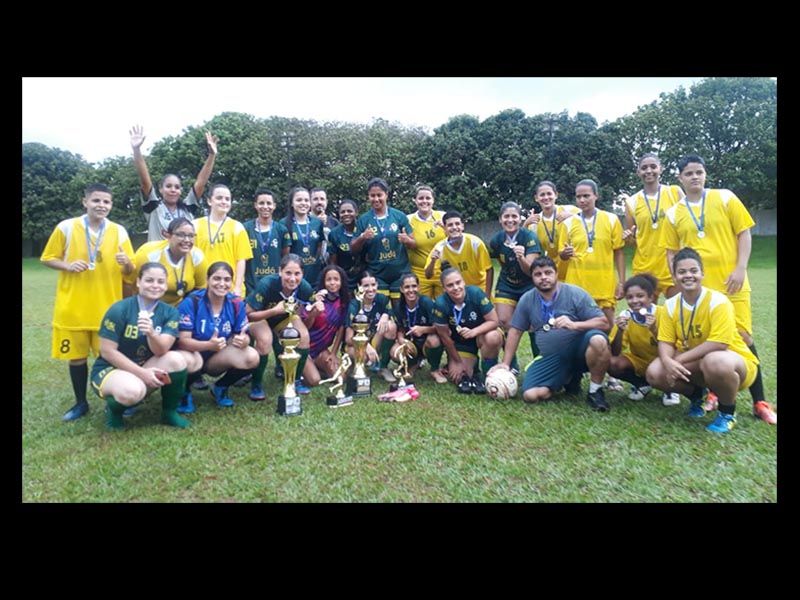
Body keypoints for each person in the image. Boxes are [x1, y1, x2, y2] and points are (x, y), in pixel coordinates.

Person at [660, 154, 775, 424]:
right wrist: (678, 281)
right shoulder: (674, 213)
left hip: (730, 283)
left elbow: (743, 233)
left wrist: (740, 268)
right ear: (680, 178)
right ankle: (715, 393)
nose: (695, 177)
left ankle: (760, 401)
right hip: (697, 288)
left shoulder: (725, 197)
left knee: (743, 337)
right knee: (705, 341)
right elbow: (671, 251)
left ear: (705, 173)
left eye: (699, 172)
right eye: (689, 173)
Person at [40, 183, 136, 421]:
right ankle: (81, 403)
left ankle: (121, 399)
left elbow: (131, 270)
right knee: (77, 357)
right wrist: (67, 265)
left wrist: (126, 262)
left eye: (106, 202)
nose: (101, 205)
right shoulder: (67, 227)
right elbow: (47, 258)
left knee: (113, 356)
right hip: (74, 308)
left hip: (108, 308)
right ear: (85, 202)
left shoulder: (119, 231)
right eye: (96, 200)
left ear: (111, 205)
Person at [645, 248, 761, 433]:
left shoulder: (718, 301)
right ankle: (697, 396)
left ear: (702, 274)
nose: (688, 275)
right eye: (682, 272)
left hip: (733, 362)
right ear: (674, 277)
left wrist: (678, 360)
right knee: (655, 372)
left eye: (693, 271)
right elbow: (665, 341)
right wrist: (667, 362)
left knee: (715, 360)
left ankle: (727, 411)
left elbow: (719, 343)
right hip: (698, 362)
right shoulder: (670, 305)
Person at [488, 256, 612, 412]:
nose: (543, 277)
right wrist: (506, 363)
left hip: (580, 351)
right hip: (552, 357)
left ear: (556, 273)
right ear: (532, 277)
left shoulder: (575, 293)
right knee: (530, 395)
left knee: (598, 340)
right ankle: (567, 378)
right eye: (538, 274)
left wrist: (574, 325)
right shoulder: (527, 299)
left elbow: (603, 323)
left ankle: (595, 391)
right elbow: (515, 331)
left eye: (548, 272)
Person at [90, 262, 195, 430]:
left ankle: (169, 413)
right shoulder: (119, 309)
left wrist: (152, 333)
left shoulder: (170, 312)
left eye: (160, 281)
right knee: (132, 391)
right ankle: (114, 411)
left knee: (176, 359)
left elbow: (161, 350)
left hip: (145, 366)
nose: (155, 285)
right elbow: (107, 352)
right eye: (149, 280)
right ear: (138, 282)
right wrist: (142, 374)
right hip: (112, 368)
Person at [559, 179, 625, 392]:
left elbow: (619, 252)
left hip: (604, 285)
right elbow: (561, 254)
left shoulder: (611, 219)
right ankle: (575, 375)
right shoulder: (568, 223)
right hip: (576, 287)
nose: (582, 200)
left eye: (586, 195)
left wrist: (621, 281)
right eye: (579, 196)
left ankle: (611, 376)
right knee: (575, 332)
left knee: (608, 330)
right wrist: (564, 254)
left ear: (596, 195)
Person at [176, 262, 259, 410]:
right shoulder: (192, 302)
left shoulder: (236, 303)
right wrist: (208, 345)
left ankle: (220, 387)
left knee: (252, 357)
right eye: (217, 278)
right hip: (192, 354)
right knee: (187, 360)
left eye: (227, 279)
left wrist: (243, 341)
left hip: (215, 357)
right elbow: (182, 342)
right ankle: (183, 391)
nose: (222, 284)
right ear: (207, 280)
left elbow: (242, 335)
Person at [130, 125, 218, 242]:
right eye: (168, 186)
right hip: (158, 259)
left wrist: (212, 155)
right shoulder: (154, 207)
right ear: (160, 189)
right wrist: (136, 150)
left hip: (183, 258)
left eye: (177, 187)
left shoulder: (187, 208)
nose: (173, 190)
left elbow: (200, 182)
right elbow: (145, 181)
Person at [245, 253, 315, 397]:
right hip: (260, 316)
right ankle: (256, 384)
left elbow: (302, 310)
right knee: (265, 339)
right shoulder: (267, 284)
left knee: (303, 337)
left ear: (302, 273)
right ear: (280, 272)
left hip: (282, 318)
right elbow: (248, 314)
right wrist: (274, 311)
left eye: (297, 273)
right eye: (288, 273)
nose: (292, 278)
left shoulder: (305, 288)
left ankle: (295, 380)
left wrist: (315, 310)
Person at [608, 273, 680, 406]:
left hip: (664, 361)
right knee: (612, 363)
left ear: (651, 297)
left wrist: (653, 329)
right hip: (641, 361)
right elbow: (615, 352)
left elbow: (674, 347)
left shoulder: (663, 313)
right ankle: (642, 385)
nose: (635, 301)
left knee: (670, 360)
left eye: (640, 296)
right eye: (630, 297)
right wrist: (619, 330)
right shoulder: (626, 316)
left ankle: (670, 389)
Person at [432, 263, 503, 394]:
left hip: (481, 336)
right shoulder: (441, 303)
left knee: (493, 337)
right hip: (461, 342)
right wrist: (456, 361)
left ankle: (489, 374)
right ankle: (472, 367)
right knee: (459, 376)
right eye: (450, 285)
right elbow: (444, 337)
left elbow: (494, 321)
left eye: (458, 282)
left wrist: (474, 332)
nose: (456, 288)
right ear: (444, 288)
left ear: (463, 281)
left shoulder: (476, 293)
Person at [488, 201, 542, 373]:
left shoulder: (529, 237)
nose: (510, 220)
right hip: (507, 283)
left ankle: (538, 364)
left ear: (520, 218)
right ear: (500, 219)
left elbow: (531, 271)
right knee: (504, 321)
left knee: (534, 323)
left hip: (528, 283)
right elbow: (502, 263)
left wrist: (521, 258)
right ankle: (511, 364)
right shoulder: (497, 240)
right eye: (506, 217)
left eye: (514, 216)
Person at [624, 153, 684, 299]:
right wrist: (628, 238)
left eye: (653, 167)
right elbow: (633, 241)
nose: (649, 171)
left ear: (661, 169)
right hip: (645, 266)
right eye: (644, 168)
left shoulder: (674, 192)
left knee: (677, 312)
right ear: (638, 172)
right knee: (646, 315)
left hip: (671, 263)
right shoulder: (632, 202)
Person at [351, 178, 416, 310]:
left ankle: (401, 331)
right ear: (368, 196)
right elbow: (353, 248)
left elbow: (414, 244)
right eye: (372, 195)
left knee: (399, 309)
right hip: (377, 274)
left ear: (386, 194)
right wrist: (362, 237)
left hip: (400, 272)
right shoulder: (364, 220)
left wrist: (407, 240)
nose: (376, 199)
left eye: (379, 195)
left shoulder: (399, 216)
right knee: (381, 309)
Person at [127, 217, 207, 306]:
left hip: (180, 309)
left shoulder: (197, 257)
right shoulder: (148, 254)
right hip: (147, 306)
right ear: (167, 235)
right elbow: (130, 284)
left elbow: (201, 291)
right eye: (181, 235)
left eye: (191, 236)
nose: (187, 240)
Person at [193, 183, 252, 298]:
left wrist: (238, 288)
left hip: (229, 288)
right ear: (210, 201)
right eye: (219, 198)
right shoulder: (195, 225)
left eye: (227, 199)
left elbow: (241, 260)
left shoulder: (237, 227)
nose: (224, 201)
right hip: (202, 288)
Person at [391, 272, 447, 383]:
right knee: (395, 352)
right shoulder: (399, 306)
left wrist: (423, 330)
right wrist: (402, 340)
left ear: (419, 287)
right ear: (401, 289)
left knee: (434, 340)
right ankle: (412, 364)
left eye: (414, 286)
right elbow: (400, 329)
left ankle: (434, 369)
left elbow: (440, 328)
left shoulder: (427, 302)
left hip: (427, 341)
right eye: (407, 287)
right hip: (411, 343)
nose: (411, 290)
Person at [425, 210, 493, 300]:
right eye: (450, 225)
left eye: (457, 224)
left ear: (462, 226)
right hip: (456, 292)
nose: (454, 227)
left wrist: (487, 295)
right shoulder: (439, 248)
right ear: (444, 228)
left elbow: (489, 269)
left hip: (479, 289)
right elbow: (428, 275)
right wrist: (433, 261)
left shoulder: (475, 243)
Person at [344, 271, 398, 383]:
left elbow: (390, 312)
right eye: (366, 285)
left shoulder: (382, 299)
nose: (370, 289)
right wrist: (366, 346)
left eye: (373, 285)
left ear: (377, 285)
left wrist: (385, 315)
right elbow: (348, 338)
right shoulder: (354, 305)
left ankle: (382, 367)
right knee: (362, 356)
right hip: (356, 346)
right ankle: (356, 367)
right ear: (359, 287)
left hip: (375, 341)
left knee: (391, 326)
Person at [300, 265, 349, 386]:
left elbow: (341, 328)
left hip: (321, 350)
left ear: (341, 282)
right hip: (305, 348)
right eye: (329, 279)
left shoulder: (343, 302)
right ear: (323, 282)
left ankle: (317, 365)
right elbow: (304, 328)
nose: (332, 283)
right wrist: (313, 313)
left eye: (336, 279)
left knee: (341, 377)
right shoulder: (314, 299)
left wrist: (333, 353)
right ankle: (300, 367)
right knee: (314, 380)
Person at [524, 181, 579, 281]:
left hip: (575, 270)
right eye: (542, 195)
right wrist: (525, 224)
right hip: (553, 273)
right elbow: (523, 243)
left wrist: (573, 215)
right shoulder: (534, 223)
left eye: (549, 194)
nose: (546, 197)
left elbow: (590, 219)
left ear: (556, 195)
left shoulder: (570, 210)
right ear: (536, 198)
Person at [243, 188, 291, 295]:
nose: (265, 207)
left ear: (274, 205)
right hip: (251, 285)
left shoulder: (281, 230)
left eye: (269, 203)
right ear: (255, 205)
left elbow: (285, 258)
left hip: (274, 285)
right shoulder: (245, 228)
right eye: (261, 203)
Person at [406, 185, 446, 300]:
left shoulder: (442, 216)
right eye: (421, 198)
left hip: (442, 271)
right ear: (415, 200)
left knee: (443, 307)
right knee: (423, 307)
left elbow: (454, 239)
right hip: (419, 272)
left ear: (433, 200)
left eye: (428, 198)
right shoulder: (408, 219)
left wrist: (445, 228)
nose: (424, 201)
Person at [284, 186, 326, 288]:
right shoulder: (284, 224)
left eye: (306, 200)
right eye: (299, 200)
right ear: (292, 203)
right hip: (294, 279)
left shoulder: (317, 222)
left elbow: (319, 246)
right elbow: (284, 254)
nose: (303, 203)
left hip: (314, 276)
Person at [327, 199, 366, 292]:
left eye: (349, 211)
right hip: (345, 277)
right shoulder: (334, 233)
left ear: (356, 213)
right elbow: (333, 261)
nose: (346, 214)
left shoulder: (364, 229)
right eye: (342, 212)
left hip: (364, 275)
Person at [310, 187, 339, 257]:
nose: (319, 202)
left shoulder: (334, 222)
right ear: (310, 202)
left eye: (322, 199)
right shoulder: (303, 221)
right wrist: (316, 223)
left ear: (326, 201)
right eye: (315, 199)